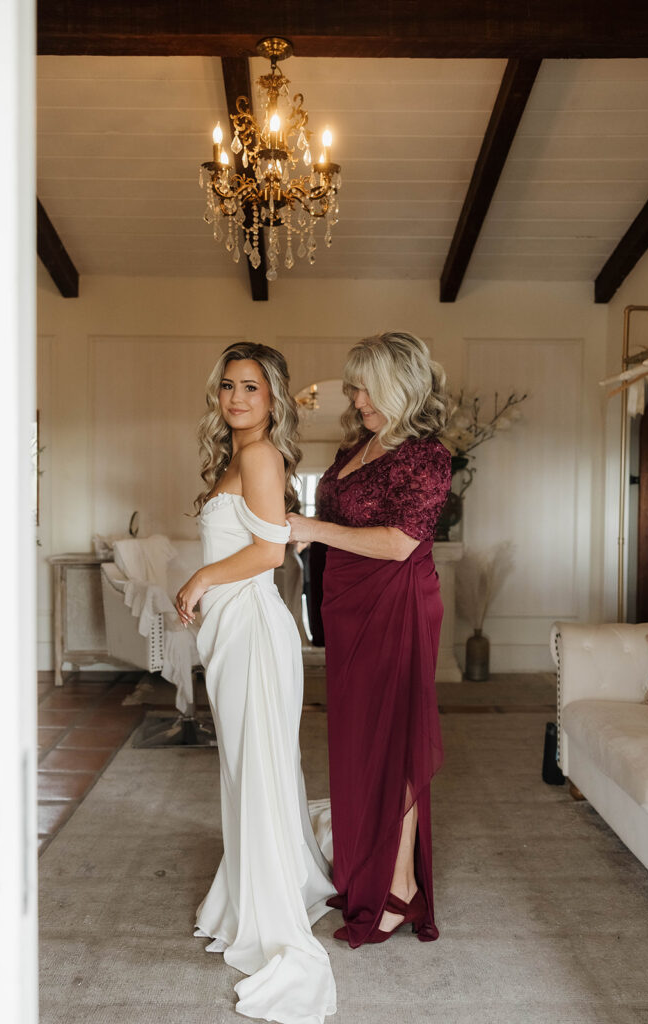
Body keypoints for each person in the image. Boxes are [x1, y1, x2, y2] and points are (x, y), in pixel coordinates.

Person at [175, 342, 336, 1024]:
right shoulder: (234, 457)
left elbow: (271, 550)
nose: (236, 398)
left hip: (251, 629)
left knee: (257, 768)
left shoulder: (262, 455)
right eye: (228, 387)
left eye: (251, 388)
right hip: (231, 630)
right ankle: (261, 886)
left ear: (273, 398)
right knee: (246, 770)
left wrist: (200, 578)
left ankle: (270, 911)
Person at [287, 331, 451, 948]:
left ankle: (399, 886)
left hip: (396, 604)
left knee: (395, 741)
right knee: (360, 739)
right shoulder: (362, 444)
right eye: (355, 386)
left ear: (394, 387)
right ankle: (368, 868)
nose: (354, 398)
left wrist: (317, 529)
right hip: (351, 603)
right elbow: (336, 518)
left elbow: (401, 543)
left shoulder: (426, 455)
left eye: (362, 386)